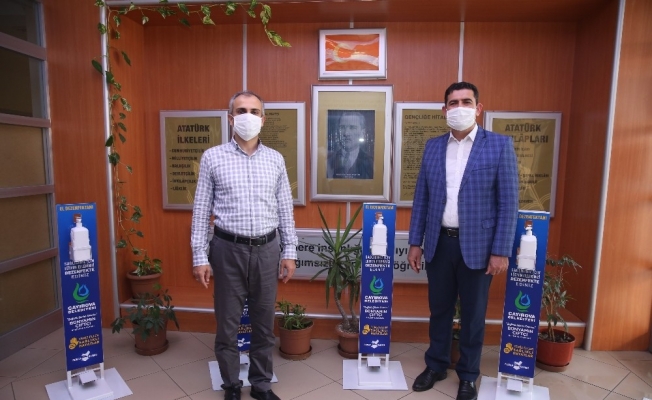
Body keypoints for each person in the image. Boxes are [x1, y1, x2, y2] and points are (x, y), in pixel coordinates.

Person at [407, 82, 519, 400]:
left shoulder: (499, 145)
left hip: (480, 248)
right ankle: (437, 365)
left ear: (478, 108)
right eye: (453, 103)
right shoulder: (433, 147)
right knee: (439, 309)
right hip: (439, 243)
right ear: (444, 110)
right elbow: (422, 198)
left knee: (473, 314)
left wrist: (500, 251)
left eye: (466, 102)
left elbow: (508, 203)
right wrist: (415, 242)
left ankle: (468, 374)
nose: (459, 108)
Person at [191, 91, 298, 400]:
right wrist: (199, 255)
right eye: (241, 110)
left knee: (263, 324)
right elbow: (201, 209)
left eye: (254, 111)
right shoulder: (213, 157)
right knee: (227, 324)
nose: (247, 116)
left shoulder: (275, 159)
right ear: (231, 118)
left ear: (263, 119)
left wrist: (289, 251)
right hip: (227, 249)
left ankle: (261, 385)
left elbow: (285, 210)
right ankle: (232, 386)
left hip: (267, 249)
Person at [326, 111, 374, 179]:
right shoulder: (328, 162)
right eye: (342, 127)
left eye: (352, 127)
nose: (346, 133)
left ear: (362, 132)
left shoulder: (371, 163)